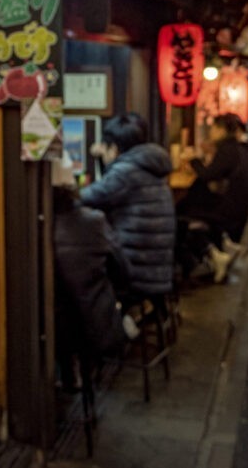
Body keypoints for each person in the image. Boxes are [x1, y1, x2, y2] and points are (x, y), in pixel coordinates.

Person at [80, 112, 176, 297]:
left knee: (81, 274)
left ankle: (111, 324)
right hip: (157, 270)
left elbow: (85, 197)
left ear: (114, 149)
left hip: (135, 273)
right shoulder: (148, 165)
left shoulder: (125, 172)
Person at [53, 175, 134, 390]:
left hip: (56, 337)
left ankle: (70, 375)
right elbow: (123, 269)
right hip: (99, 324)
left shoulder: (39, 230)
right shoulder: (95, 221)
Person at [177, 113, 248, 282]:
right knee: (191, 202)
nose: (210, 132)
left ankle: (211, 251)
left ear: (221, 131)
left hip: (229, 209)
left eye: (213, 128)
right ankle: (218, 247)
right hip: (239, 206)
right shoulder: (240, 148)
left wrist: (193, 160)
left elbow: (207, 175)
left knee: (182, 214)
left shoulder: (228, 149)